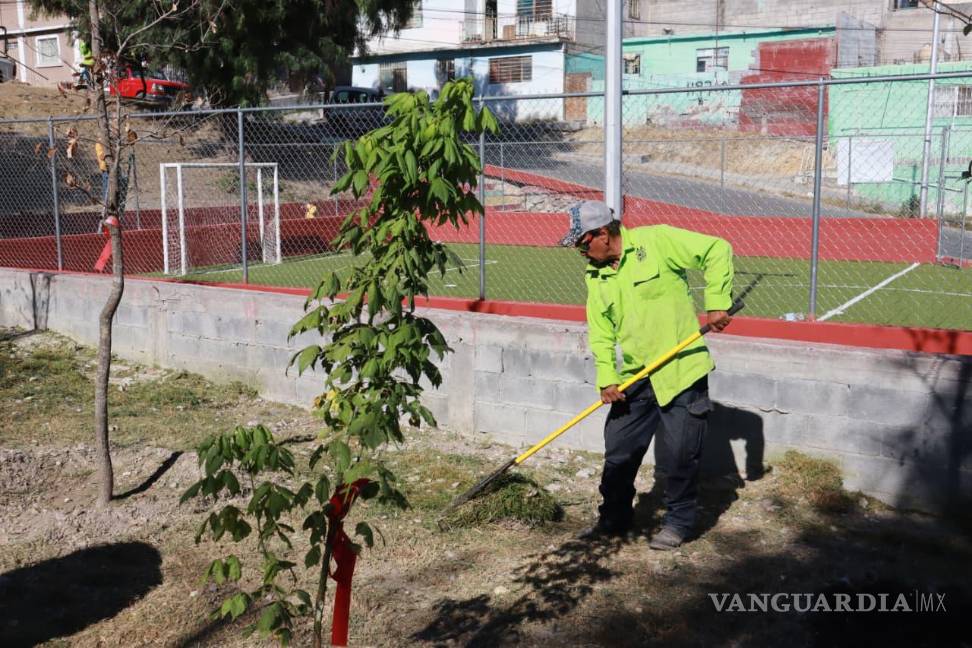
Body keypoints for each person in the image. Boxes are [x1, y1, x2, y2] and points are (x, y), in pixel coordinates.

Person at [561, 201, 734, 550]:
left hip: (680, 371)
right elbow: (601, 331)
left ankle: (678, 522)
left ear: (603, 234)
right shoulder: (596, 275)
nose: (580, 252)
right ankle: (614, 518)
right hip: (635, 378)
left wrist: (717, 301)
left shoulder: (657, 241)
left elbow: (717, 249)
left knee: (678, 456)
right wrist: (607, 378)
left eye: (582, 244)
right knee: (619, 451)